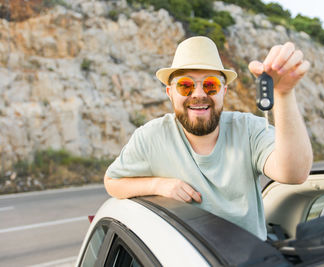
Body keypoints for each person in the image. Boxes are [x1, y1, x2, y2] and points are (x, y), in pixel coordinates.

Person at [104, 36, 313, 240]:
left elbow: (294, 173)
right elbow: (112, 182)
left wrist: (284, 94)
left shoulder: (248, 129)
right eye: (185, 86)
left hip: (251, 258)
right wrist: (158, 185)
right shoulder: (151, 137)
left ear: (224, 90)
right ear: (170, 93)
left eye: (210, 85)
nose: (198, 94)